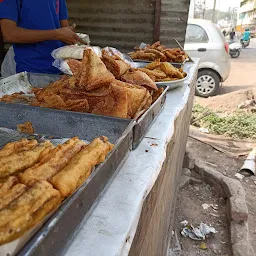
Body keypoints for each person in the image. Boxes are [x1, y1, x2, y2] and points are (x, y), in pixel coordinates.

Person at [0, 0, 84, 82]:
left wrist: (77, 46)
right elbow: (9, 34)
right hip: (33, 73)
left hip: (62, 71)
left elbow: (64, 30)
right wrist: (56, 34)